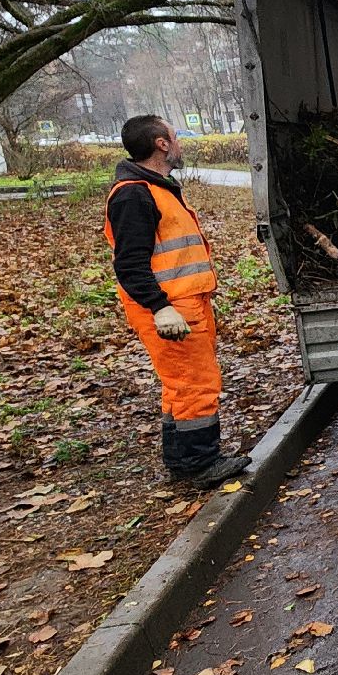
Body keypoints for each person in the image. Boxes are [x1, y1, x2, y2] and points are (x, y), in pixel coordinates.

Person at [103, 115, 249, 489]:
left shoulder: (156, 188)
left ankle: (184, 461)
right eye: (174, 135)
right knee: (194, 383)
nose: (180, 142)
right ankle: (200, 464)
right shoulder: (134, 194)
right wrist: (160, 307)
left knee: (180, 384)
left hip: (183, 303)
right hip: (171, 307)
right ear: (161, 144)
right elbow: (130, 264)